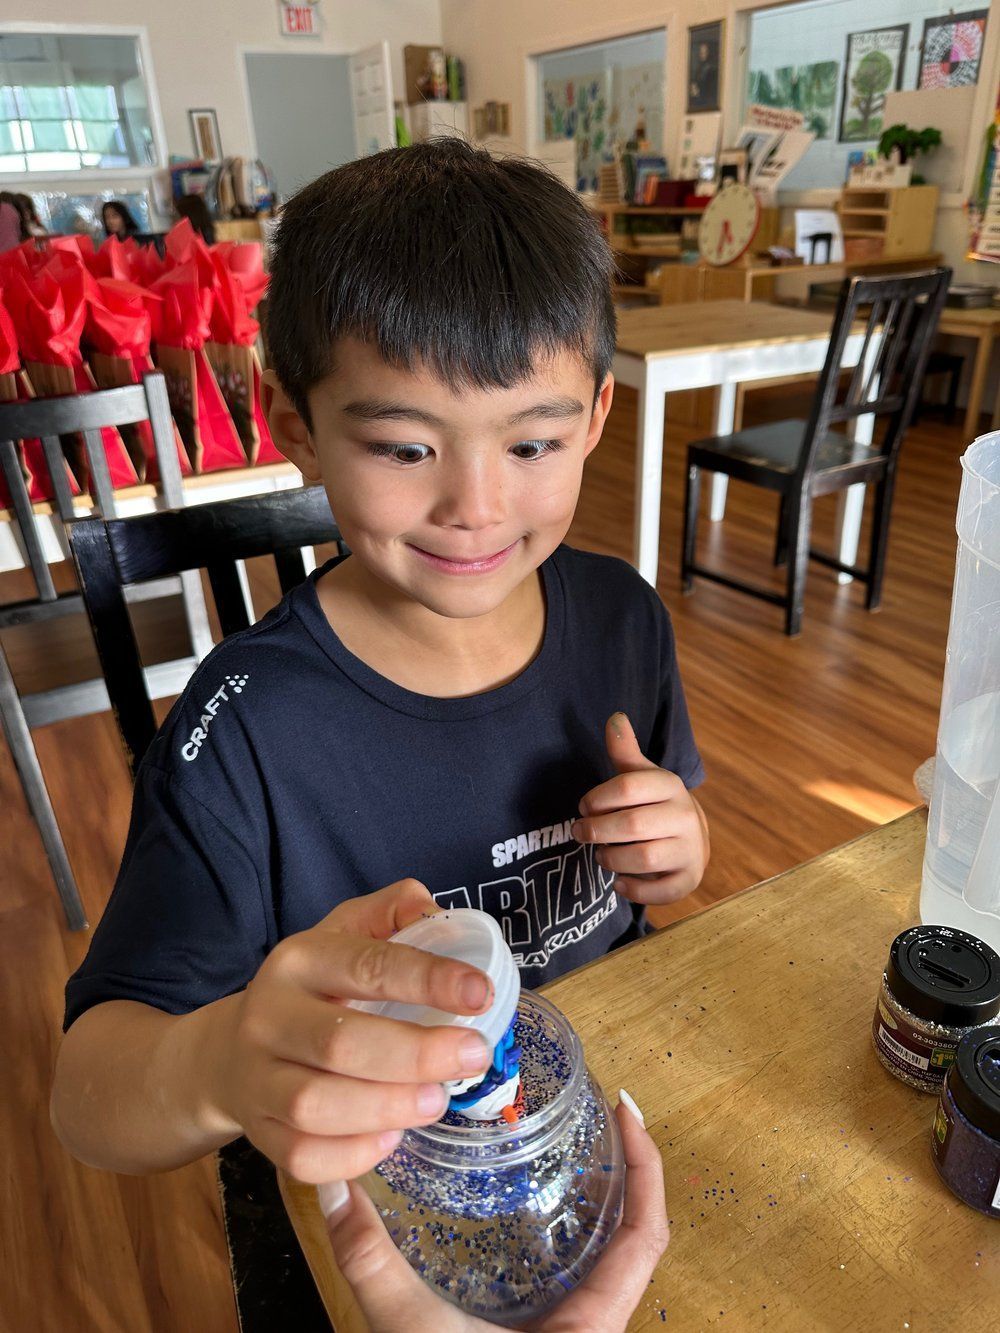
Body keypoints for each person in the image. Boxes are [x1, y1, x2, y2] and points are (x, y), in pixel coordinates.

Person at [51, 141, 708, 1323]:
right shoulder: (244, 729)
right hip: (378, 1213)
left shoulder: (622, 620)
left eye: (532, 442)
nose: (475, 504)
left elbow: (670, 843)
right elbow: (89, 1092)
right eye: (404, 447)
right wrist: (219, 1062)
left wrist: (683, 839)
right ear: (291, 418)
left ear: (598, 415)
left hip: (579, 1149)